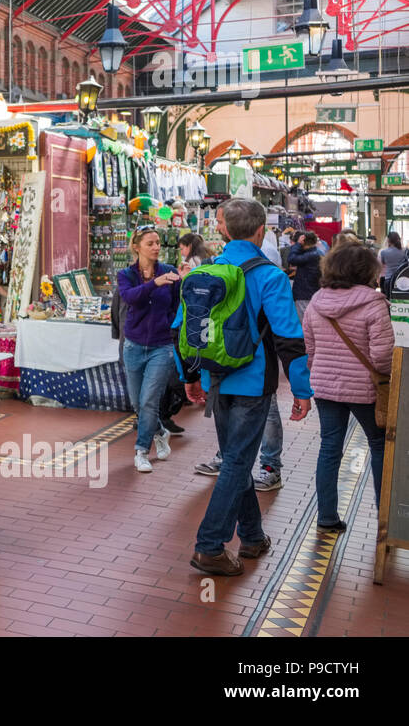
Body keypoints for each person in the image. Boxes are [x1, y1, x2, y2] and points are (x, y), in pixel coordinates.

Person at [178, 198, 313, 576]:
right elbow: (289, 338)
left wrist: (190, 377)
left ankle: (252, 536)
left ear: (222, 230)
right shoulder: (270, 276)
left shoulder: (204, 273)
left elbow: (181, 331)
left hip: (215, 379)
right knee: (238, 461)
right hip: (255, 383)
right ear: (260, 232)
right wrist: (302, 389)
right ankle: (210, 546)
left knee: (235, 457)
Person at [301, 245, 392, 533]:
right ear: (367, 271)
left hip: (325, 388)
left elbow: (310, 349)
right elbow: (382, 356)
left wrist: (320, 373)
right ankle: (384, 518)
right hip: (365, 389)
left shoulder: (317, 301)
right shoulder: (375, 304)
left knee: (329, 447)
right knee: (379, 446)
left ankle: (327, 516)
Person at [117, 227, 180, 472]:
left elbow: (177, 305)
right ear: (137, 247)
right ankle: (160, 431)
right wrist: (155, 283)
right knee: (137, 403)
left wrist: (171, 326)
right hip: (133, 345)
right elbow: (130, 298)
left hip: (161, 346)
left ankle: (141, 451)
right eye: (150, 243)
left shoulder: (171, 273)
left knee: (149, 401)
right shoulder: (126, 275)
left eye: (158, 243)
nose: (156, 247)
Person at [289, 232, 322, 321]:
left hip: (304, 295)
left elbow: (291, 259)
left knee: (304, 324)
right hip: (310, 293)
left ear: (303, 242)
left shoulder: (311, 255)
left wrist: (298, 244)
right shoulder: (315, 253)